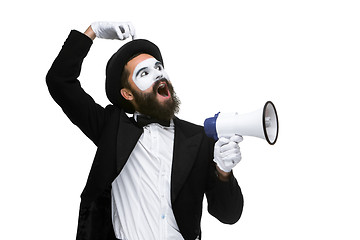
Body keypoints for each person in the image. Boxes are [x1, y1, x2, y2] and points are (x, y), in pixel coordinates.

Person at [46, 21, 244, 240]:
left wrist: (224, 173)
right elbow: (59, 82)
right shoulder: (112, 129)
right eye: (144, 73)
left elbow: (228, 215)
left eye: (159, 67)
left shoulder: (199, 138)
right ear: (127, 94)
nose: (158, 74)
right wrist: (93, 31)